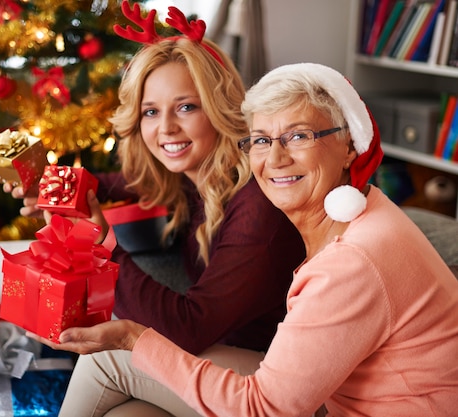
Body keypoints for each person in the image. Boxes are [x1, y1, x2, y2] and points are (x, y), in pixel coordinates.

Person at [31, 62, 458, 417]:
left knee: (107, 361)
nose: (275, 158)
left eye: (299, 136)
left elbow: (264, 408)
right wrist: (66, 185)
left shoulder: (353, 259)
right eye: (261, 140)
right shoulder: (365, 208)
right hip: (318, 387)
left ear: (350, 146)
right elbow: (141, 179)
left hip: (315, 404)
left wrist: (129, 334)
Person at [4, 3, 305, 415]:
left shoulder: (257, 206)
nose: (165, 128)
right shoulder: (195, 174)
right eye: (151, 111)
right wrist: (48, 186)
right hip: (227, 362)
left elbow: (189, 328)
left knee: (108, 357)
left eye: (186, 107)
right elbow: (109, 184)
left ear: (220, 110)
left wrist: (102, 243)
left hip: (276, 383)